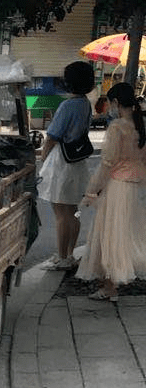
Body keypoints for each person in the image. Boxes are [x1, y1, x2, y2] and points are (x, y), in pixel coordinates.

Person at [75, 82, 146, 301]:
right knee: (124, 235)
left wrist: (91, 191)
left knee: (108, 236)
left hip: (116, 186)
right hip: (134, 185)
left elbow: (107, 163)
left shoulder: (117, 127)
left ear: (115, 103)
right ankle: (112, 285)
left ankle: (109, 288)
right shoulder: (140, 124)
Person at [36, 60, 96, 270]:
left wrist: (43, 158)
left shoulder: (67, 105)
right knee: (73, 212)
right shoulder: (86, 104)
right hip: (78, 162)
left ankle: (61, 257)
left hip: (61, 162)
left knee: (61, 214)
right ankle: (69, 255)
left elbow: (52, 136)